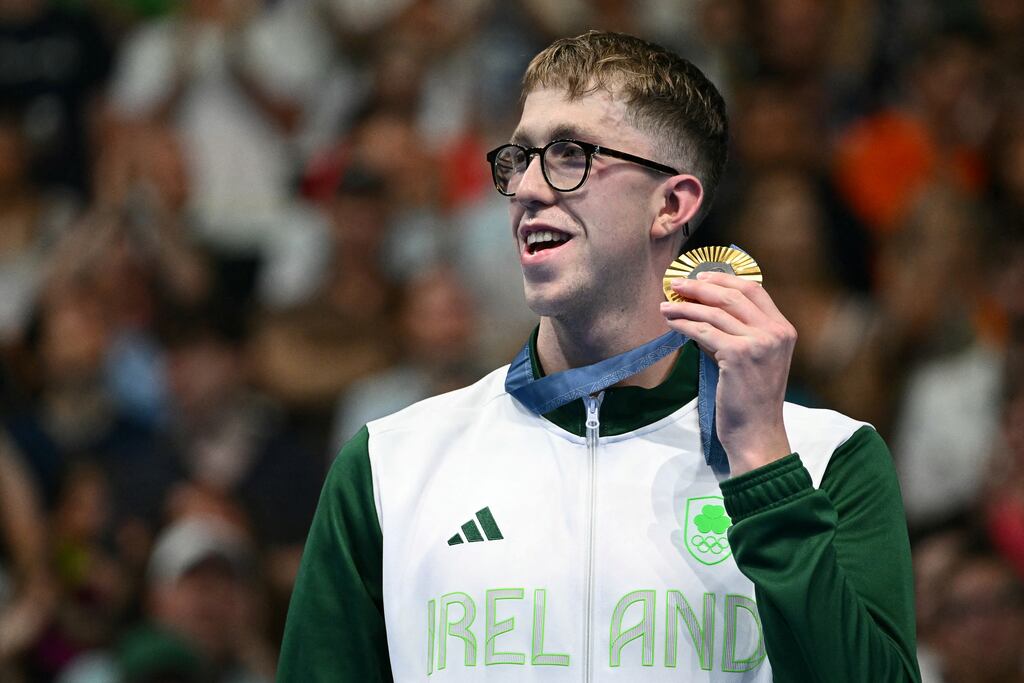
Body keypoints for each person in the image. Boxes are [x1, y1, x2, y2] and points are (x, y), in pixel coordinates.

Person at [279, 31, 920, 681]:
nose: (527, 187)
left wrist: (762, 464)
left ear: (671, 203)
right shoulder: (391, 465)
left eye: (567, 155)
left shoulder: (827, 460)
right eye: (520, 159)